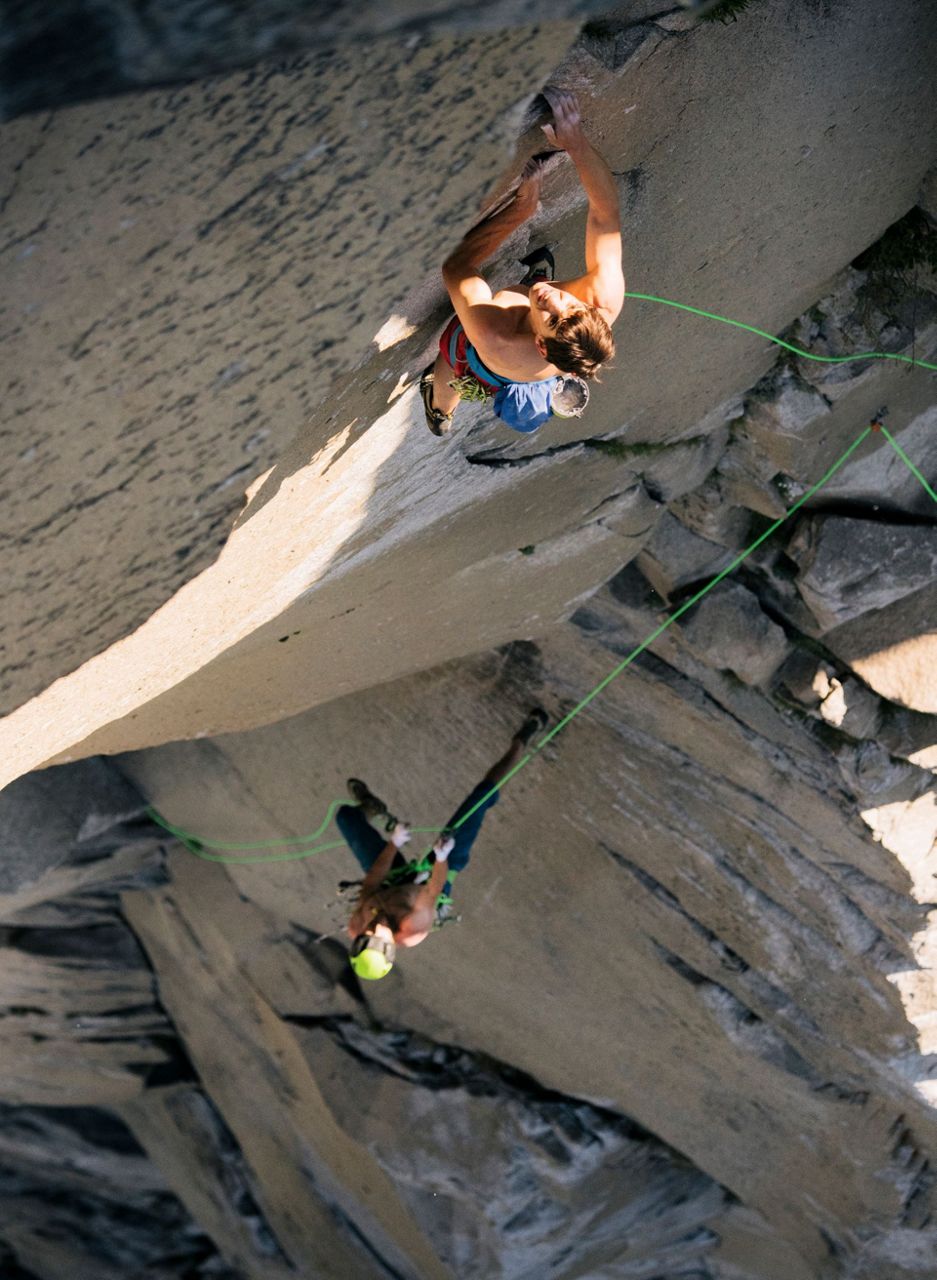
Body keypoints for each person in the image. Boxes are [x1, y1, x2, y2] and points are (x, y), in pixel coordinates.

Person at [420, 87, 625, 437]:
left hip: (490, 365)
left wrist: (520, 210)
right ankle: (532, 294)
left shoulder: (495, 337)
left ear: (541, 345)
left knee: (453, 363)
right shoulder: (602, 298)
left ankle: (439, 409)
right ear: (591, 310)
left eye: (551, 318)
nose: (554, 298)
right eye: (570, 305)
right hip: (546, 353)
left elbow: (455, 267)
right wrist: (575, 143)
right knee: (539, 293)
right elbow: (605, 214)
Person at [339, 708, 549, 980]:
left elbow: (371, 883)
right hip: (430, 881)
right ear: (391, 947)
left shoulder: (358, 924)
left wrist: (393, 844)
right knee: (478, 801)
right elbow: (432, 890)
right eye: (378, 936)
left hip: (391, 881)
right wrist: (441, 857)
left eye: (368, 934)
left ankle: (369, 809)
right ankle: (520, 743)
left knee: (346, 818)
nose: (374, 927)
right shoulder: (412, 927)